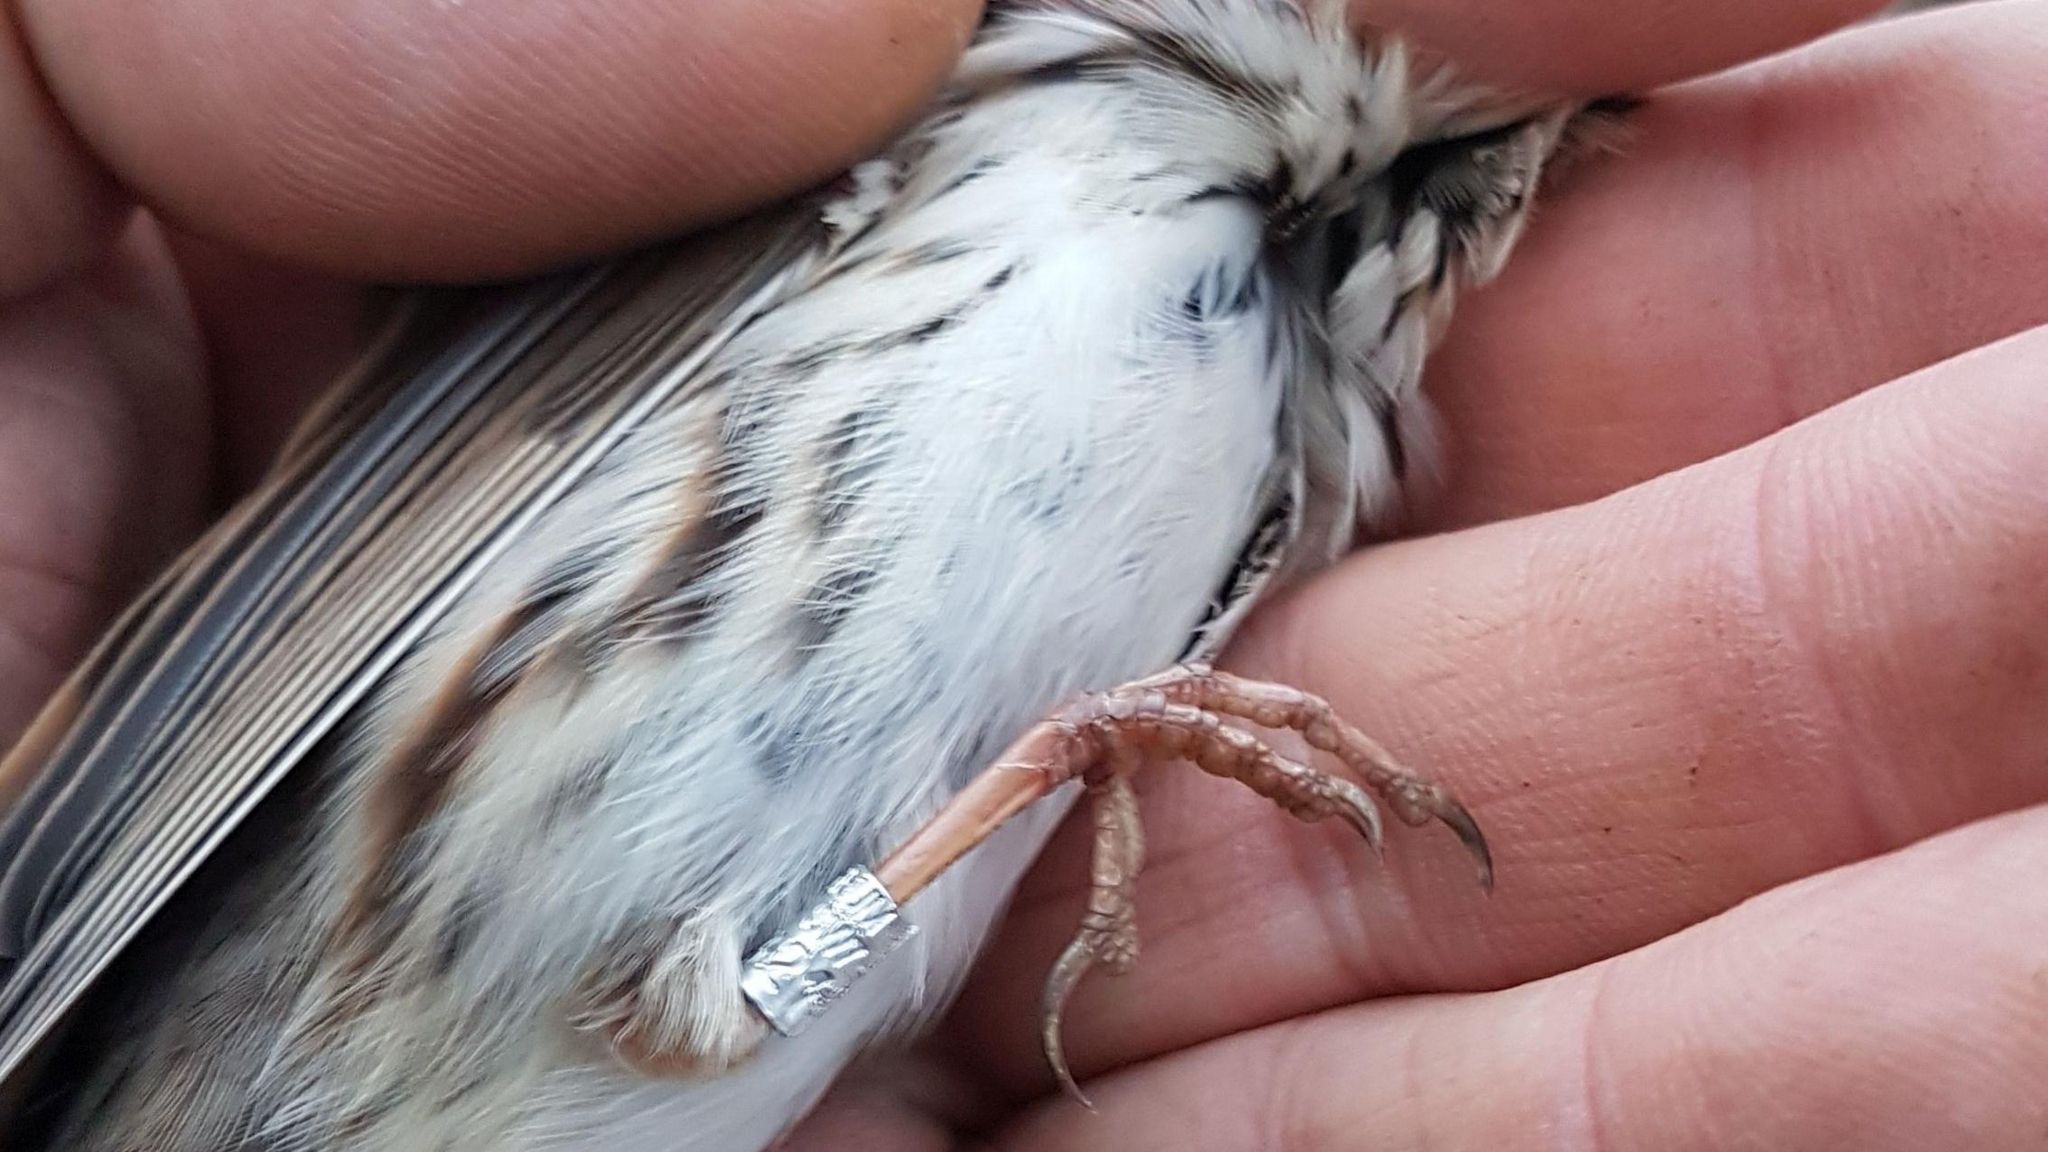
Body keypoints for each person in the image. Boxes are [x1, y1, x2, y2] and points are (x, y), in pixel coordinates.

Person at [2, 0, 2041, 1146]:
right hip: (297, 987)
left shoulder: (1263, 433)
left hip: (550, 1025)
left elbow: (693, 1022)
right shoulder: (974, 114)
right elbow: (386, 521)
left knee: (713, 1007)